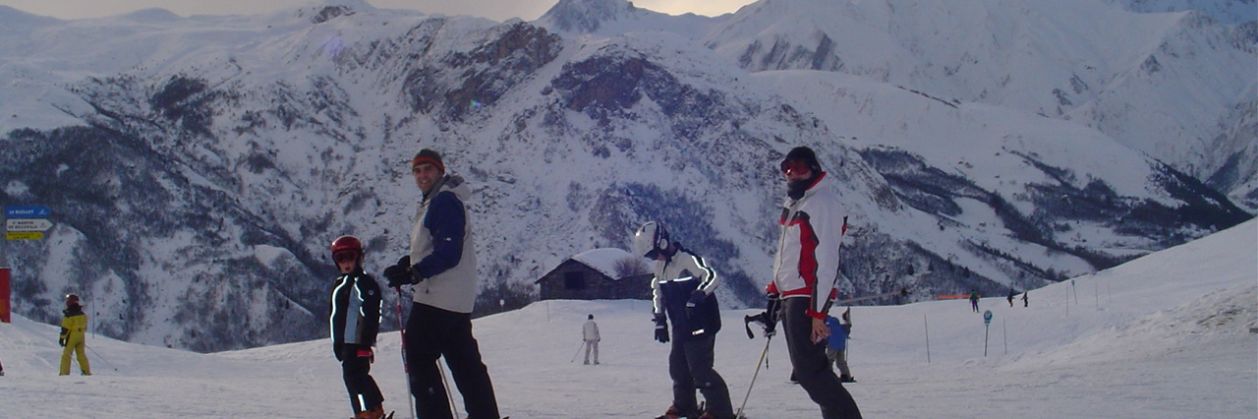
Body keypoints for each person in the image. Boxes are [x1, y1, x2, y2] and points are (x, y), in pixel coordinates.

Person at [383, 148, 500, 419]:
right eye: (418, 170)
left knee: (417, 357)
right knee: (464, 362)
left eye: (428, 169)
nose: (423, 175)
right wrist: (409, 264)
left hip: (437, 297)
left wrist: (415, 273)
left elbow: (449, 251)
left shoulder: (443, 200)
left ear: (440, 171)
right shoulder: (438, 199)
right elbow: (438, 244)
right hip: (456, 299)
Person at [755, 146, 861, 419]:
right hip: (792, 295)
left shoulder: (822, 204)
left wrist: (818, 313)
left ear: (813, 169)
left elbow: (826, 261)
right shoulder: (796, 204)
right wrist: (775, 294)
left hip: (806, 296)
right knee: (811, 372)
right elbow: (788, 255)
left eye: (799, 168)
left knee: (810, 372)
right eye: (787, 169)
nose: (792, 174)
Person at [635, 221, 734, 419]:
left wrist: (700, 293)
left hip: (701, 324)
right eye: (651, 256)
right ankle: (684, 407)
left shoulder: (687, 259)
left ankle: (720, 412)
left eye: (655, 253)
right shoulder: (660, 267)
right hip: (681, 326)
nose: (655, 258)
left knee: (700, 369)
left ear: (663, 242)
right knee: (678, 368)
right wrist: (660, 319)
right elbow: (658, 292)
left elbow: (712, 276)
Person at [329, 235, 387, 419]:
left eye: (350, 257)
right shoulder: (341, 284)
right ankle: (367, 411)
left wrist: (366, 341)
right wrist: (338, 342)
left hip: (358, 342)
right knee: (352, 377)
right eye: (340, 258)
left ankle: (370, 411)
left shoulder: (363, 283)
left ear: (359, 257)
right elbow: (337, 317)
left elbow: (371, 313)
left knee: (356, 377)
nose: (346, 263)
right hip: (346, 342)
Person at [58, 294, 91, 376]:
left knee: (67, 354)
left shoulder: (69, 315)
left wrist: (62, 338)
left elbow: (65, 328)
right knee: (81, 354)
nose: (66, 302)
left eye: (68, 301)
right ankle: (86, 372)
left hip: (72, 336)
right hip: (81, 336)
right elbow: (85, 326)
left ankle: (64, 373)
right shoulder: (82, 314)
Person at [826, 309, 855, 383]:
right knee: (841, 362)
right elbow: (847, 329)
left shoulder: (828, 325)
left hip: (832, 345)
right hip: (841, 346)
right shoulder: (840, 327)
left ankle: (828, 376)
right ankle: (846, 376)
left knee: (829, 360)